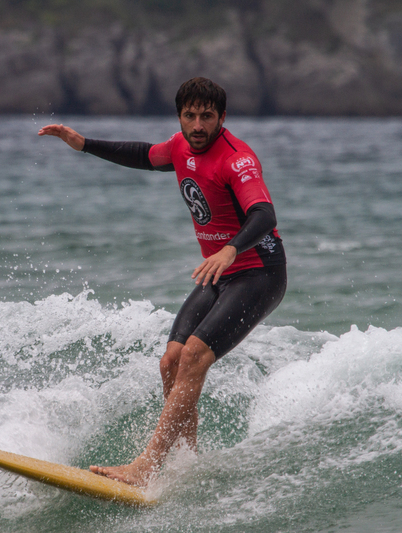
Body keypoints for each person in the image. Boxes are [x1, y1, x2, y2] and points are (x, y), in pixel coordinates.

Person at [38, 77, 287, 487]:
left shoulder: (237, 160)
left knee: (193, 356)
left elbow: (264, 215)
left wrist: (230, 249)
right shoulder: (180, 147)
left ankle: (146, 466)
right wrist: (84, 144)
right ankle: (186, 461)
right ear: (180, 117)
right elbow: (142, 154)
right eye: (190, 116)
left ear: (222, 118)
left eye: (207, 116)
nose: (198, 126)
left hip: (258, 273)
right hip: (219, 275)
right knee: (170, 362)